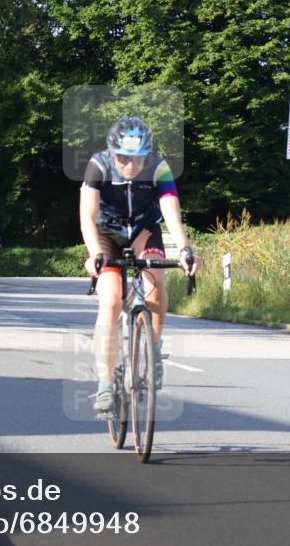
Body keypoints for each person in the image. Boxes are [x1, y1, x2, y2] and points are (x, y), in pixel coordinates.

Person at [80, 116, 201, 417]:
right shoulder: (98, 165)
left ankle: (154, 350)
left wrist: (185, 249)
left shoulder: (158, 168)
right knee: (109, 301)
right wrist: (94, 252)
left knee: (156, 284)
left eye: (138, 159)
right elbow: (87, 216)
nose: (131, 166)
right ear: (111, 153)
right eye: (123, 158)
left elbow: (172, 214)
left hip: (143, 231)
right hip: (106, 233)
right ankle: (106, 385)